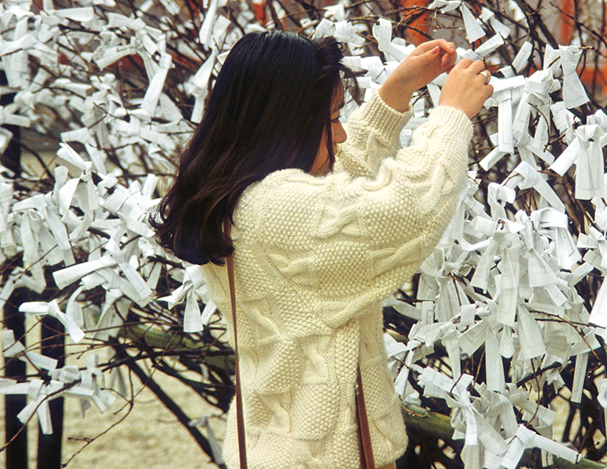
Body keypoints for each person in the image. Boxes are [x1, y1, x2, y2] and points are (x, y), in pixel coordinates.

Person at [153, 30, 493, 469]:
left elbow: (334, 199)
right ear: (286, 124)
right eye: (332, 118)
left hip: (275, 448)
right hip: (327, 457)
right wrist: (451, 117)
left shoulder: (234, 195)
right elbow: (408, 211)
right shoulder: (277, 209)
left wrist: (394, 94)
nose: (343, 135)